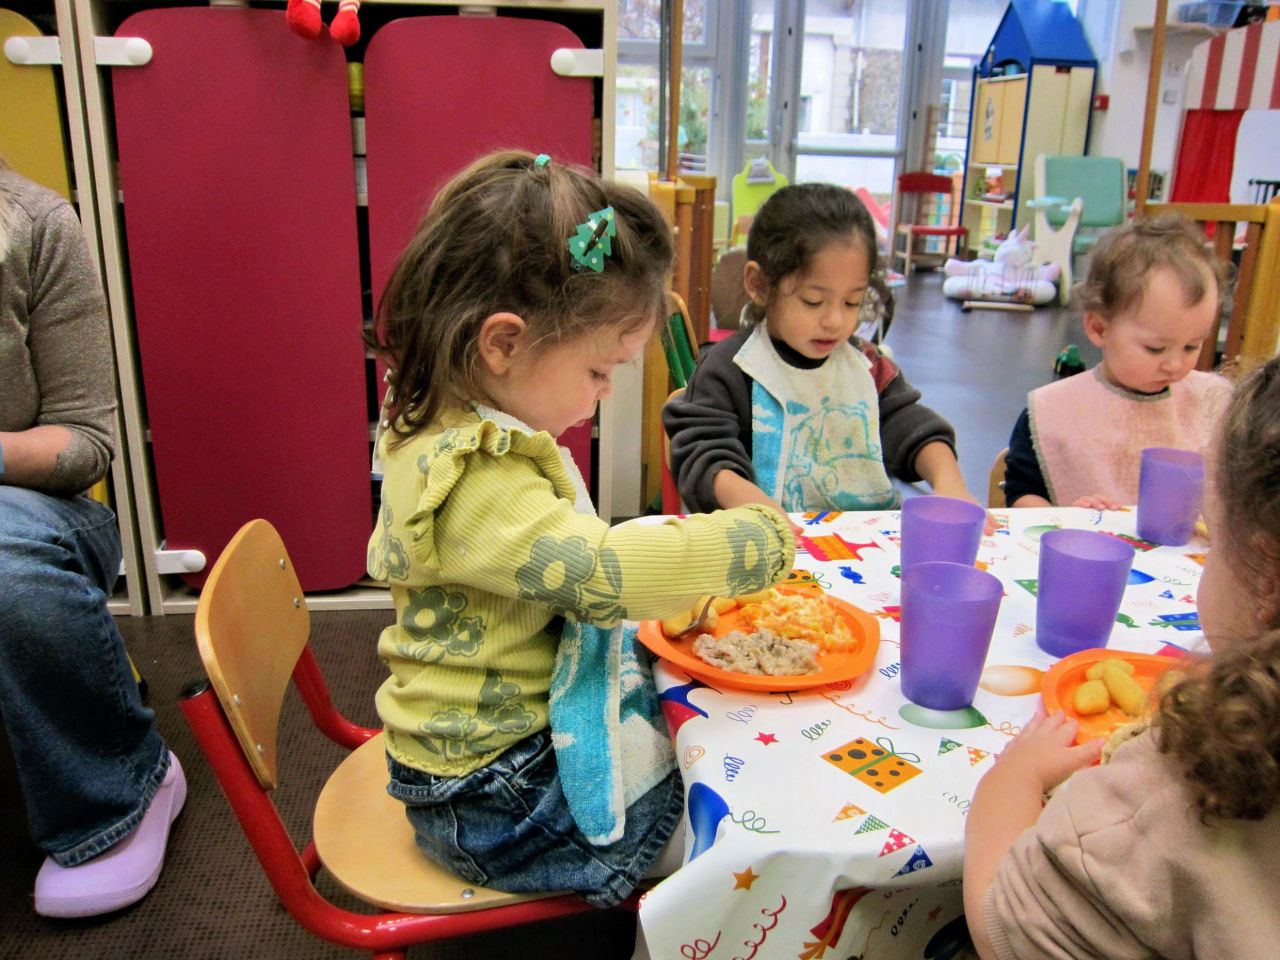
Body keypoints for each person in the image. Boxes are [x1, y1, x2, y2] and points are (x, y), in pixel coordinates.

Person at [363, 150, 796, 909]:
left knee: (696, 727)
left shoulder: (448, 416)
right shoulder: (471, 476)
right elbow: (602, 574)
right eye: (600, 372)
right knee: (738, 823)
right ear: (503, 343)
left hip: (483, 763)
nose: (602, 398)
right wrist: (754, 541)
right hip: (493, 799)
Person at [964, 354, 1280, 959]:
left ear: (1266, 576)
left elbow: (1003, 924)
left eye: (1215, 537)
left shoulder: (1190, 787)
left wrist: (1014, 779)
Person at [0, 161, 185, 918]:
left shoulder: (36, 225)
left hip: (28, 505)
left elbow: (85, 443)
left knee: (7, 570)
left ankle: (120, 791)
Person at [663, 182, 980, 516]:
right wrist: (755, 506)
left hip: (862, 540)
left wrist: (950, 483)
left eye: (852, 302)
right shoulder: (732, 369)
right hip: (764, 538)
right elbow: (702, 453)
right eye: (813, 301)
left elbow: (910, 425)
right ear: (759, 285)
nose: (835, 321)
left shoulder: (867, 366)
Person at [1003, 215, 1233, 509]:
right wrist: (1062, 518)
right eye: (1156, 348)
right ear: (1100, 328)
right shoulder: (1053, 411)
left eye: (1192, 345)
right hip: (1083, 537)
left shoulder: (1212, 402)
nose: (1175, 365)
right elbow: (1020, 491)